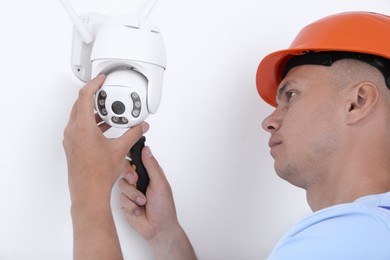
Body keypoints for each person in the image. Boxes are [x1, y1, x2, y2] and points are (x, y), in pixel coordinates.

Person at [63, 11, 390, 260]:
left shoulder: (346, 239)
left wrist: (88, 193)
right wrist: (168, 238)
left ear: (357, 102)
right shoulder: (367, 237)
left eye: (291, 95)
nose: (269, 121)